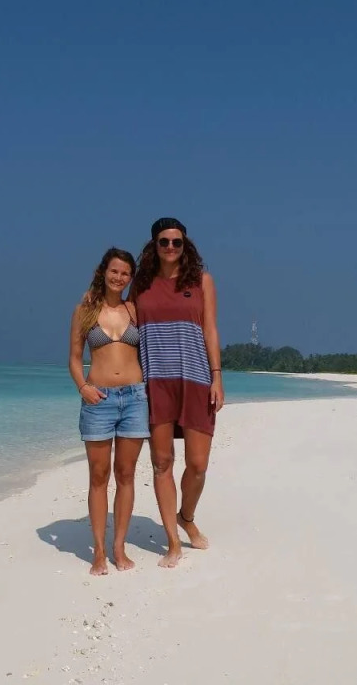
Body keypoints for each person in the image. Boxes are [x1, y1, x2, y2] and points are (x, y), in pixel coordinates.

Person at [131, 217, 224, 568]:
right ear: (153, 246)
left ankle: (186, 516)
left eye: (177, 242)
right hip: (155, 382)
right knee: (162, 463)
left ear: (186, 246)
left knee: (197, 465)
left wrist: (217, 376)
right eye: (164, 242)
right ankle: (172, 542)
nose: (170, 247)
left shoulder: (201, 281)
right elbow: (124, 323)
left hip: (196, 379)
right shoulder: (141, 284)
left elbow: (210, 329)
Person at [68, 247, 149, 575]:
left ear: (131, 278)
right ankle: (99, 551)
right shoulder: (84, 311)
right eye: (114, 271)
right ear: (103, 272)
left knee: (126, 474)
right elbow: (75, 358)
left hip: (135, 399)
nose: (119, 277)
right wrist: (83, 387)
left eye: (125, 273)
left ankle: (119, 546)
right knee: (99, 476)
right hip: (98, 400)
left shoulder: (135, 310)